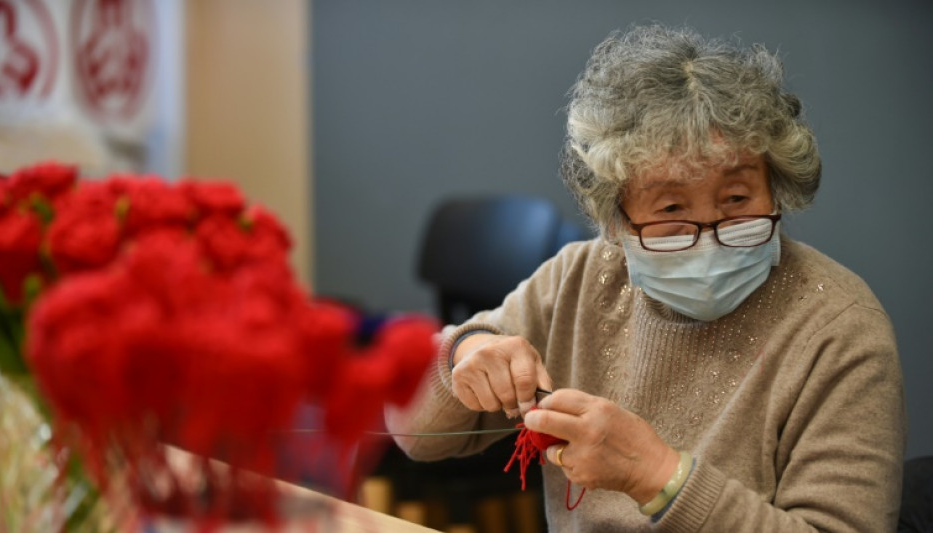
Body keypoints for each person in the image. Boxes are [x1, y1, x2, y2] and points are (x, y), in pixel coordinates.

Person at [385, 23, 905, 532]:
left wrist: (657, 475)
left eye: (738, 200)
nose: (711, 234)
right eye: (672, 207)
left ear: (778, 186)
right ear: (616, 220)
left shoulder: (839, 328)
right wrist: (464, 354)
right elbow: (414, 435)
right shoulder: (583, 276)